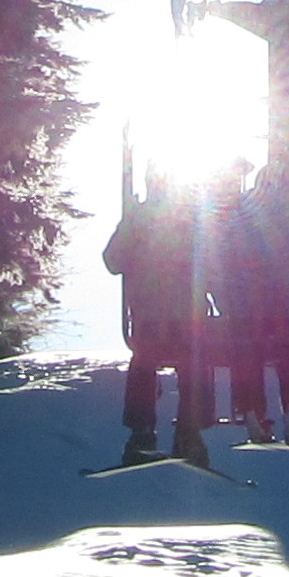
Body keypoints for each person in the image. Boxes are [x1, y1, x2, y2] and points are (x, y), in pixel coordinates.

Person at [101, 172, 203, 466]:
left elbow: (113, 260)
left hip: (150, 311)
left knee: (145, 364)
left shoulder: (138, 219)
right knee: (193, 367)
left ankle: (143, 431)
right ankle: (189, 431)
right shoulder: (189, 221)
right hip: (183, 313)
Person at [222, 164, 289, 447]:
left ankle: (252, 414)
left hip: (247, 302)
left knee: (247, 356)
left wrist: (225, 295)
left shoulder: (241, 212)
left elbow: (225, 252)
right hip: (284, 299)